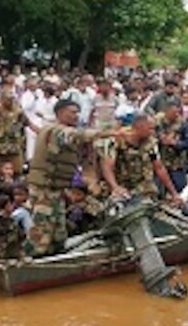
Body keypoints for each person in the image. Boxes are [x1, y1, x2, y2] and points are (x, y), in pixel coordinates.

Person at [25, 99, 118, 257]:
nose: (76, 116)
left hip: (56, 190)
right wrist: (109, 132)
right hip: (45, 191)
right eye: (72, 112)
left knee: (58, 233)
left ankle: (54, 259)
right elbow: (77, 135)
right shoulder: (56, 131)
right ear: (60, 113)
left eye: (77, 112)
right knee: (41, 232)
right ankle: (29, 264)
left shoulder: (60, 130)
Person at [100, 113, 179, 202]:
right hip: (120, 183)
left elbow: (159, 167)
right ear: (139, 128)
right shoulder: (118, 140)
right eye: (150, 129)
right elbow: (107, 167)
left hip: (141, 185)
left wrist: (174, 193)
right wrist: (115, 187)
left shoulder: (150, 143)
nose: (153, 132)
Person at [155, 102, 188, 193]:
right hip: (160, 161)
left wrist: (175, 143)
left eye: (177, 113)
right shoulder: (159, 123)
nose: (175, 115)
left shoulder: (184, 125)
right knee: (158, 187)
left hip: (176, 162)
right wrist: (160, 139)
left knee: (180, 185)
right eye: (173, 113)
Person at [0, 91, 26, 171]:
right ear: (1, 99)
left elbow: (27, 124)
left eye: (11, 99)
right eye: (7, 99)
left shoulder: (18, 112)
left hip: (14, 148)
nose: (10, 101)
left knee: (16, 171)